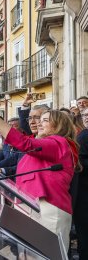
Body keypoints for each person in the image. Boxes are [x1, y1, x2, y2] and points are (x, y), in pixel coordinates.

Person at [0, 105, 79, 249]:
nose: (39, 123)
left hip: (48, 207)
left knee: (46, 253)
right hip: (30, 205)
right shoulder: (45, 146)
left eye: (45, 120)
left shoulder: (59, 143)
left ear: (59, 126)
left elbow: (23, 142)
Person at [75, 107, 88, 259]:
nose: (87, 117)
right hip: (84, 193)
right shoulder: (84, 136)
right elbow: (79, 163)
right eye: (85, 115)